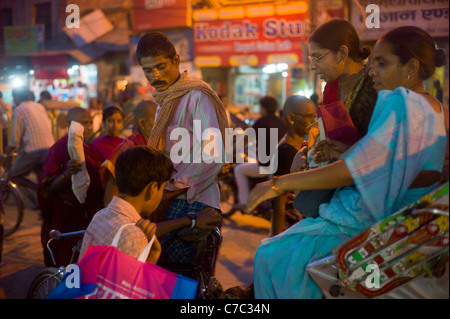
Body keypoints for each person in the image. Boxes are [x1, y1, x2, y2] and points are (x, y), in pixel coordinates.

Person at [245, 26, 447, 299]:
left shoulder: (398, 101)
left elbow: (357, 169)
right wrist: (347, 152)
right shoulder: (435, 107)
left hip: (365, 222)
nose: (373, 70)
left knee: (271, 256)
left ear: (410, 67)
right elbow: (389, 161)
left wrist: (279, 183)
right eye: (374, 62)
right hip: (394, 221)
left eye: (382, 63)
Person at [136, 31, 228, 269]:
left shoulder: (196, 95)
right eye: (147, 70)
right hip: (170, 194)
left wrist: (172, 188)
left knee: (183, 277)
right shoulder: (165, 99)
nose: (154, 75)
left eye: (161, 66)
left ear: (176, 61)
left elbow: (213, 154)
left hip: (193, 198)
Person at [78, 146, 173, 263]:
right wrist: (153, 255)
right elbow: (132, 281)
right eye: (162, 189)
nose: (162, 195)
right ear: (152, 189)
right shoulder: (135, 235)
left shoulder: (101, 215)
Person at [38, 107, 105, 267]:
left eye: (90, 123)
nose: (88, 127)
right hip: (67, 216)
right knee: (67, 262)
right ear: (70, 124)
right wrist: (67, 174)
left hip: (89, 216)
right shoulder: (58, 149)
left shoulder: (88, 147)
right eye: (83, 123)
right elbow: (48, 188)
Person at [270, 95, 316, 236]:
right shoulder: (287, 152)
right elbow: (279, 203)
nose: (313, 121)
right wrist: (275, 239)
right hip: (291, 227)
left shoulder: (301, 147)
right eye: (309, 116)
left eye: (315, 116)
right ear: (291, 118)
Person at [234, 95, 287, 207]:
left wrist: (231, 149)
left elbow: (245, 139)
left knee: (238, 169)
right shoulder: (281, 123)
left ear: (264, 108)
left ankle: (244, 203)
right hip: (280, 166)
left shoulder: (262, 121)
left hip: (266, 167)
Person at [6, 86, 54, 191]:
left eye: (14, 97)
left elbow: (15, 140)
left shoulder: (19, 109)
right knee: (41, 177)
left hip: (33, 151)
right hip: (49, 148)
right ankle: (41, 199)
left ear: (17, 97)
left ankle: (37, 191)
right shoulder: (39, 106)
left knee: (13, 175)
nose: (13, 100)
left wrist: (7, 153)